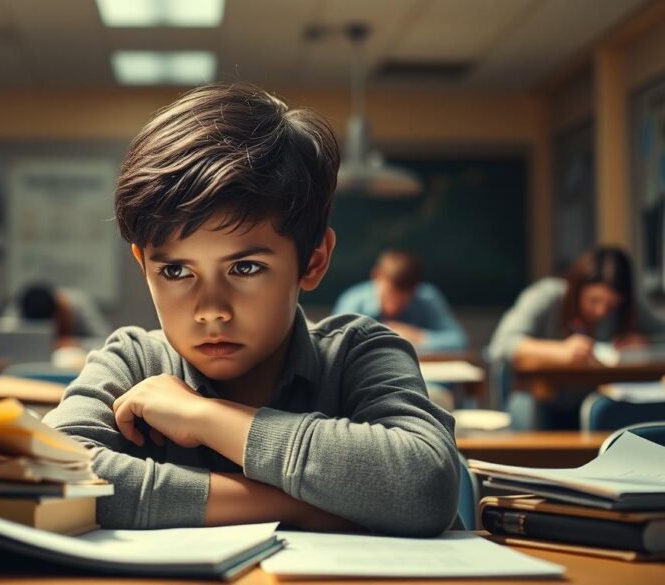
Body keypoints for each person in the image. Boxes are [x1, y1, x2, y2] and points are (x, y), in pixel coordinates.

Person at [42, 83, 458, 536]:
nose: (211, 311)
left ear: (313, 260)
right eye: (177, 272)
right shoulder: (132, 362)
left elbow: (427, 484)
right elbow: (51, 476)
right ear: (145, 267)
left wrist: (205, 418)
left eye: (245, 267)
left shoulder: (360, 354)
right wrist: (297, 507)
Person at [488, 245, 665, 427]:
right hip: (544, 403)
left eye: (611, 305)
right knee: (524, 407)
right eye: (593, 300)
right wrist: (561, 352)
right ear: (576, 289)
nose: (601, 311)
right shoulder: (546, 295)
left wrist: (647, 344)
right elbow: (501, 346)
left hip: (599, 406)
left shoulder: (629, 309)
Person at [333, 250, 467, 353]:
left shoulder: (427, 297)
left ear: (415, 288)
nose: (393, 306)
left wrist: (417, 336)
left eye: (402, 300)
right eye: (389, 296)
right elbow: (335, 345)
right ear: (376, 276)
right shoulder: (353, 300)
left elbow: (458, 341)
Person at [3, 283, 112, 347]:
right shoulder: (21, 306)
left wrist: (75, 344)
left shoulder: (80, 303)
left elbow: (105, 342)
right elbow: (2, 339)